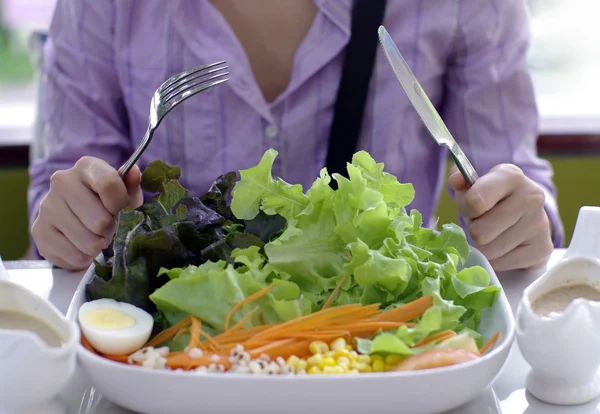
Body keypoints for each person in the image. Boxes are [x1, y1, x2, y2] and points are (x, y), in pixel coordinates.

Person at [28, 0, 564, 272]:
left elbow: (515, 195)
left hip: (390, 361)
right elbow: (57, 200)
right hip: (163, 363)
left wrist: (517, 226)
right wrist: (73, 223)